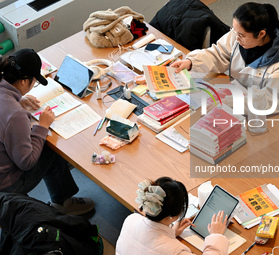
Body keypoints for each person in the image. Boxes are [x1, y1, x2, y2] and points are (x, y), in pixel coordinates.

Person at [0, 48, 94, 215]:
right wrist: (42, 127)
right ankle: (63, 203)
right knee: (49, 150)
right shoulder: (16, 115)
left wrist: (18, 99)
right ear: (23, 81)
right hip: (6, 185)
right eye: (34, 81)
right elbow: (26, 162)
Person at [172, 2, 279, 118]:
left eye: (241, 35)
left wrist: (230, 103)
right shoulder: (239, 36)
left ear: (261, 34)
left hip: (275, 114)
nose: (236, 37)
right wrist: (192, 62)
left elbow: (270, 100)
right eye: (234, 30)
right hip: (238, 94)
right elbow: (219, 53)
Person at [116, 177, 229, 254]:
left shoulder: (131, 219)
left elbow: (150, 243)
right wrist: (216, 236)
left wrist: (171, 233)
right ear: (173, 216)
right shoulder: (176, 251)